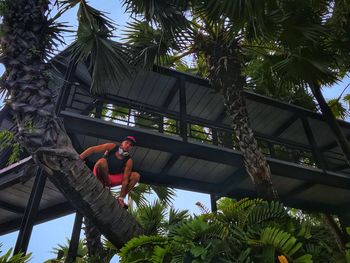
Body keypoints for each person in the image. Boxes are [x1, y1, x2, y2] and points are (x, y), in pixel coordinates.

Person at [79, 136, 140, 209]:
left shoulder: (129, 160)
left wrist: (121, 197)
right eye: (127, 143)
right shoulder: (112, 146)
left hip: (112, 179)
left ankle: (120, 199)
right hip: (100, 173)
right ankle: (106, 184)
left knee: (136, 176)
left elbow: (125, 180)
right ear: (122, 143)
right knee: (102, 161)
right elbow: (93, 149)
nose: (128, 146)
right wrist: (80, 158)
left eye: (130, 145)